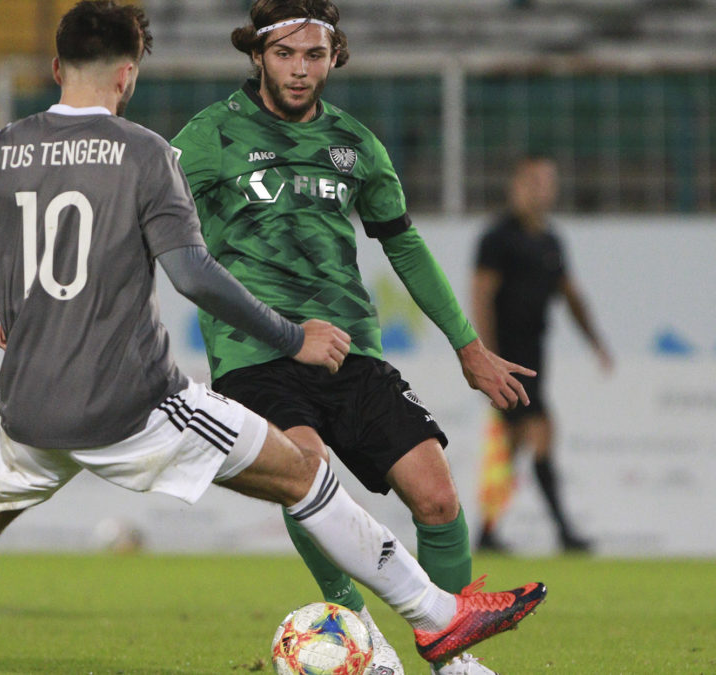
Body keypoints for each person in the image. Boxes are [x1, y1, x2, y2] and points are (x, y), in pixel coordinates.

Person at [0, 2, 545, 673]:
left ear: (55, 64)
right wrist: (290, 334)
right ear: (128, 73)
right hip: (136, 405)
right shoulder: (145, 155)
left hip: (27, 410)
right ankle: (437, 618)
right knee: (306, 473)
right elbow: (195, 276)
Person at [170, 2, 538, 673]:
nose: (301, 70)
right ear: (257, 55)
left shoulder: (356, 145)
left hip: (350, 350)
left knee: (438, 495)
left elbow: (406, 247)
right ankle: (359, 630)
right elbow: (149, 227)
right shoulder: (208, 137)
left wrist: (468, 346)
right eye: (285, 55)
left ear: (335, 55)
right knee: (306, 474)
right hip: (258, 352)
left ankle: (449, 649)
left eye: (314, 55)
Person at [471, 154, 612, 554]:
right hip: (508, 357)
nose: (540, 189)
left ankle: (486, 532)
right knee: (541, 433)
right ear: (515, 186)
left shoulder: (551, 241)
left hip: (535, 354)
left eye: (547, 181)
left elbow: (572, 297)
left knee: (515, 444)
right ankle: (565, 532)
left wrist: (596, 341)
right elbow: (481, 295)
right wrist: (485, 355)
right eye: (532, 181)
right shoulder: (497, 237)